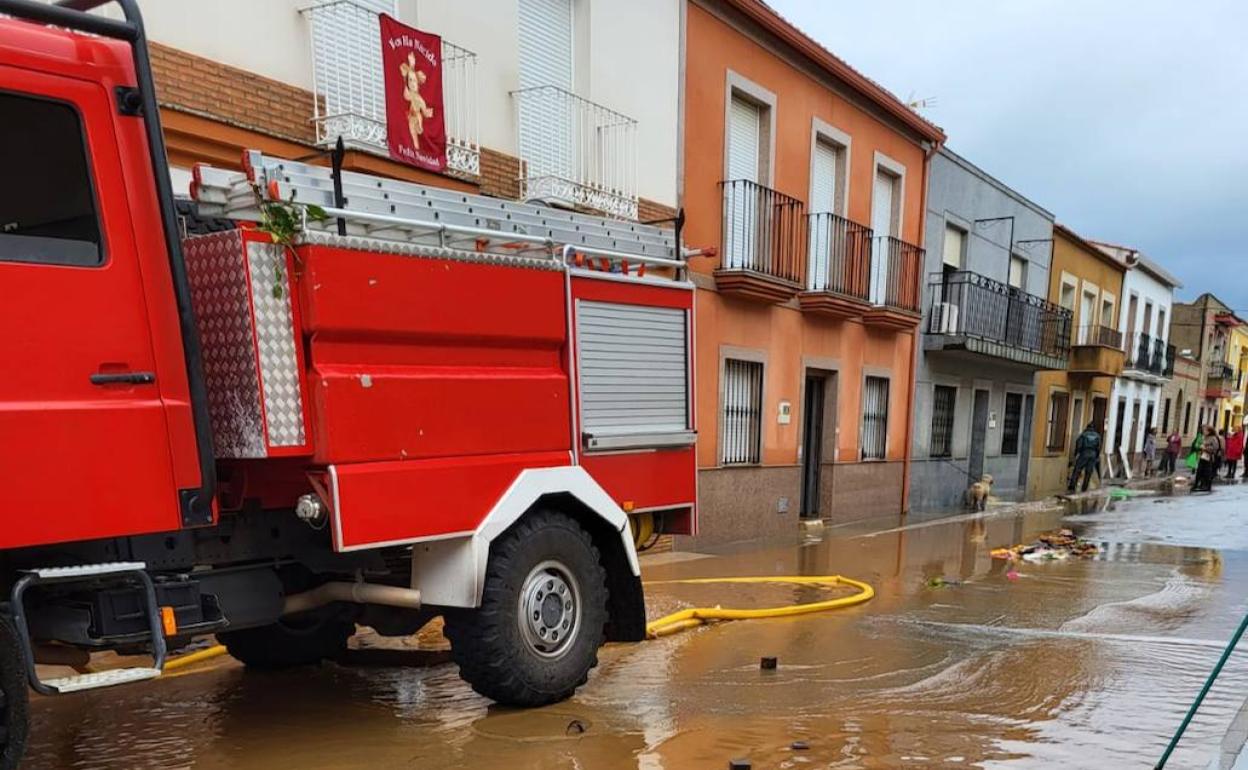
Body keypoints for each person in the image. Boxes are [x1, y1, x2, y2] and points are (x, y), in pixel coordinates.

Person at [1068, 422, 1102, 493]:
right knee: (1088, 472)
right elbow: (1099, 447)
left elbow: (1079, 445)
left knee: (1077, 470)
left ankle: (1072, 486)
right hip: (1093, 454)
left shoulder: (1083, 435)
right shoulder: (1097, 436)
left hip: (1084, 453)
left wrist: (1076, 454)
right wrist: (1096, 455)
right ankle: (1084, 488)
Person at [1195, 426, 1220, 492]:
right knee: (1199, 471)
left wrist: (1206, 448)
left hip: (1208, 457)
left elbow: (1215, 448)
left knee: (1207, 472)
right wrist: (1200, 447)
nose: (1204, 431)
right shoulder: (1204, 437)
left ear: (1209, 431)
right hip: (1202, 456)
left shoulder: (1213, 438)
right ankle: (1198, 484)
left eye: (1205, 430)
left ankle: (1207, 486)